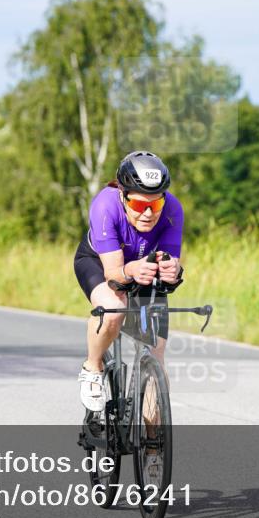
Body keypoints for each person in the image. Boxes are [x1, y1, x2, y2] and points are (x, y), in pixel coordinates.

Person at [73, 151, 183, 413]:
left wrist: (173, 272)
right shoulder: (105, 205)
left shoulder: (173, 209)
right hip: (99, 264)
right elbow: (114, 274)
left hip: (143, 266)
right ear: (123, 195)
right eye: (138, 205)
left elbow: (168, 259)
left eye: (155, 205)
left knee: (156, 353)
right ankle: (92, 367)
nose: (147, 213)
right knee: (113, 310)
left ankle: (154, 446)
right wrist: (131, 270)